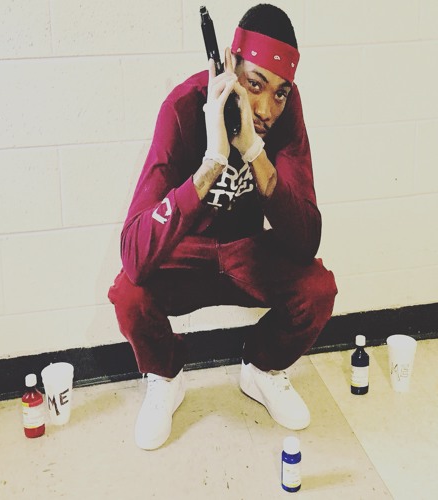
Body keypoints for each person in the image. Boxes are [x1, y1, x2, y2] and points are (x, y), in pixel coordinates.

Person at [108, 3, 337, 450]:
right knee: (128, 295)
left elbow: (306, 239)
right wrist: (212, 161)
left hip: (247, 252)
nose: (266, 108)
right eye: (255, 84)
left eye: (280, 93)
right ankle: (165, 376)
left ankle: (263, 369)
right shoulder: (182, 106)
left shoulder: (285, 115)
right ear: (229, 65)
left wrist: (254, 151)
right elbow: (134, 254)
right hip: (187, 254)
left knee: (317, 289)